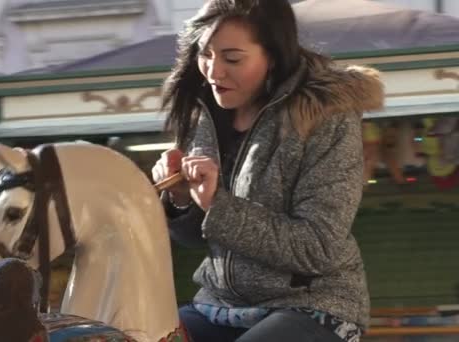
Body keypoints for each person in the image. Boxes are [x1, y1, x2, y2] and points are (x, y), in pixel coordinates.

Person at [151, 0, 384, 341]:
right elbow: (195, 238)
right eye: (205, 54)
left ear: (273, 55)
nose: (214, 72)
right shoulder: (203, 115)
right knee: (140, 332)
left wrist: (217, 204)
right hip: (218, 305)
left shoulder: (325, 117)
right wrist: (182, 199)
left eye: (232, 58)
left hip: (313, 305)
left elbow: (316, 247)